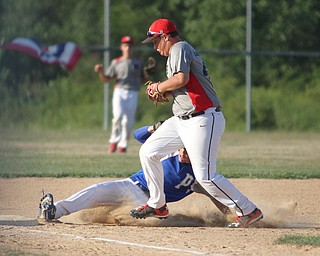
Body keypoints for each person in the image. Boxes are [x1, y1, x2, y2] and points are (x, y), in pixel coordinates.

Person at [129, 18, 263, 228]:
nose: (154, 47)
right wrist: (163, 91)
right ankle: (158, 204)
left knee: (206, 176)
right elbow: (184, 85)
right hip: (182, 119)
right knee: (148, 152)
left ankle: (248, 210)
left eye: (155, 42)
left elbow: (181, 78)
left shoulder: (179, 47)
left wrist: (159, 86)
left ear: (165, 36)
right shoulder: (176, 53)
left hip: (202, 118)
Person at [38, 122, 230, 221]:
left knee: (148, 222)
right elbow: (137, 135)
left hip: (149, 205)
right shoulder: (168, 149)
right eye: (183, 147)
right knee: (96, 190)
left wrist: (229, 214)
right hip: (130, 186)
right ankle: (54, 212)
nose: (183, 152)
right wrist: (155, 128)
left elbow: (215, 194)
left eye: (189, 150)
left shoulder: (199, 173)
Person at [94, 36, 155, 153]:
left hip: (133, 92)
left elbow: (143, 78)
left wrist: (148, 73)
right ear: (122, 47)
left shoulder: (138, 62)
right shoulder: (116, 62)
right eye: (126, 45)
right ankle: (113, 141)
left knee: (129, 121)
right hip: (120, 91)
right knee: (118, 116)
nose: (128, 48)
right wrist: (101, 71)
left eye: (130, 45)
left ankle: (123, 144)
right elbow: (106, 79)